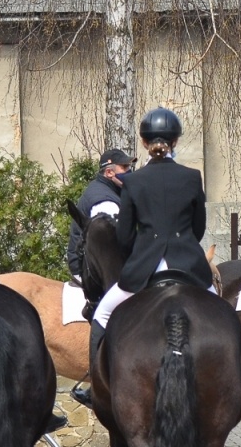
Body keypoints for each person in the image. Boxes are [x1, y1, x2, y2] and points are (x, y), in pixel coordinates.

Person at [88, 106, 214, 341]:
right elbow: (198, 229)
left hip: (144, 268)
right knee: (222, 314)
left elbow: (124, 237)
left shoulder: (132, 181)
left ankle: (98, 378)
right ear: (175, 141)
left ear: (144, 142)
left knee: (102, 315)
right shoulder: (192, 176)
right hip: (189, 265)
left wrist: (142, 251)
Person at [65, 148, 133, 282]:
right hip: (90, 271)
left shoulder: (106, 190)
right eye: (124, 167)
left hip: (94, 264)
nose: (129, 171)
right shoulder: (105, 202)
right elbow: (112, 247)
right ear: (109, 172)